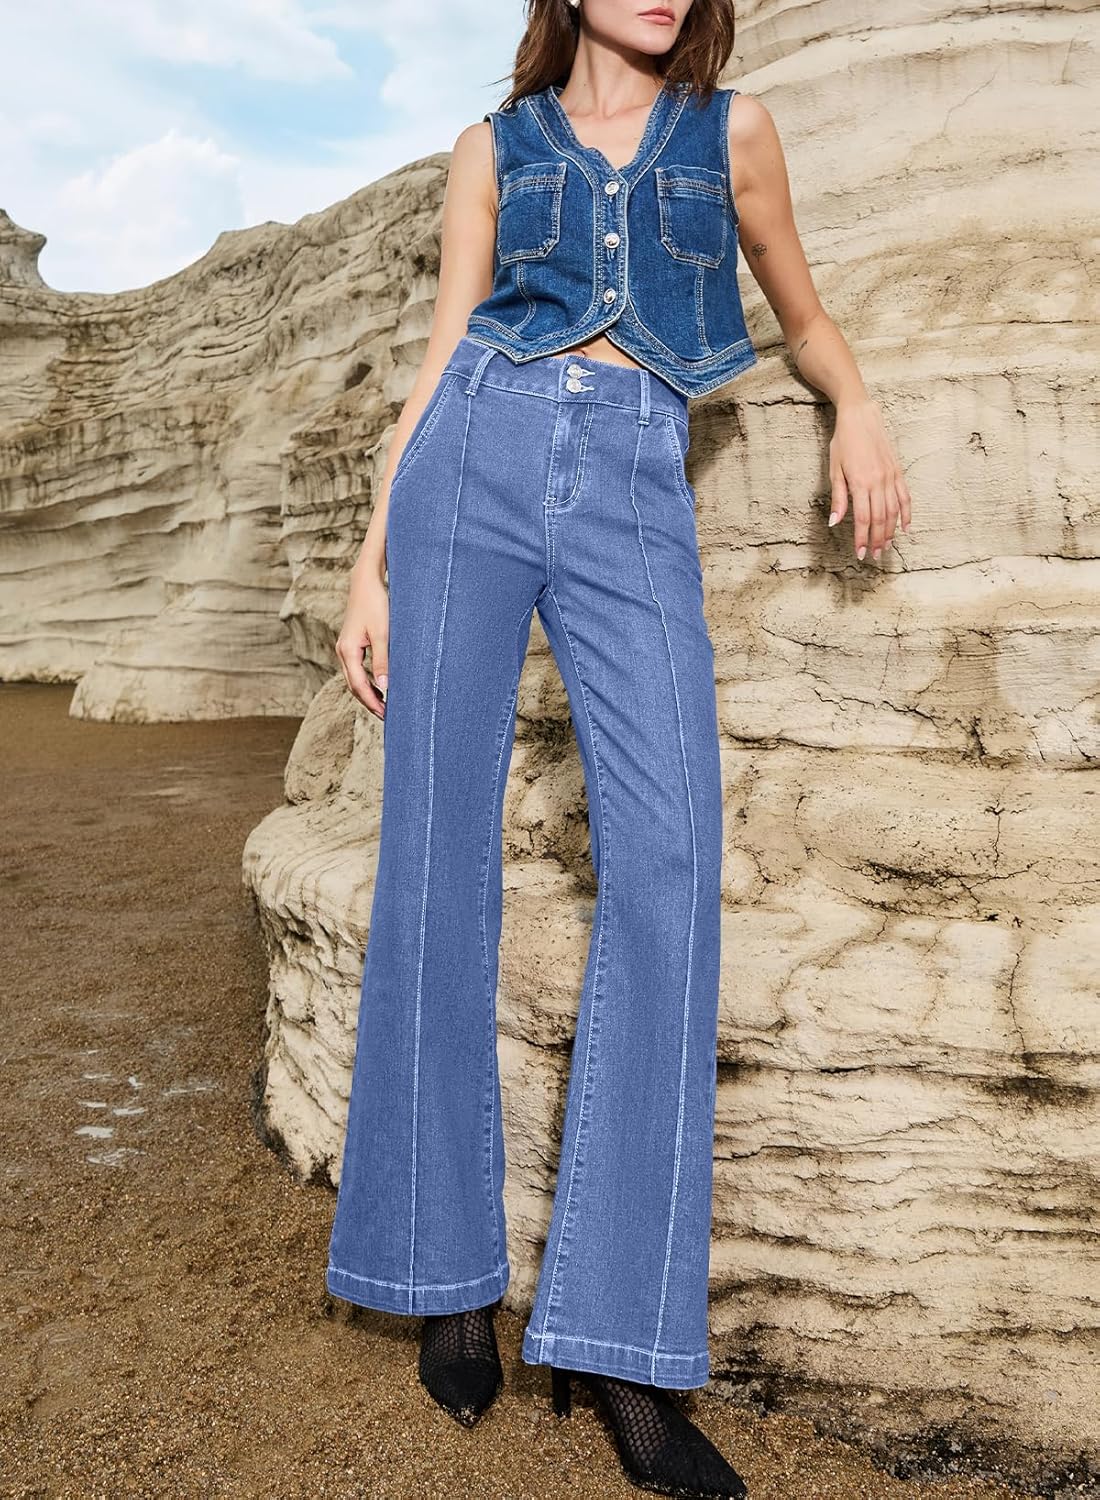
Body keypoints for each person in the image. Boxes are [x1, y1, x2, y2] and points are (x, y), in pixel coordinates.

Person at [327, 1, 911, 1496]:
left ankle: (618, 1341)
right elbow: (442, 352)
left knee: (667, 869)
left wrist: (855, 403)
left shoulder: (734, 133)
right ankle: (443, 1273)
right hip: (469, 461)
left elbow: (800, 311)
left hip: (634, 476)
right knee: (433, 863)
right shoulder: (493, 147)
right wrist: (371, 560)